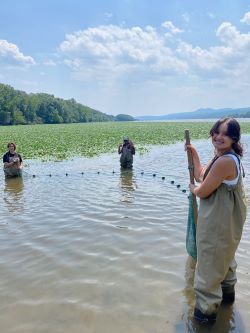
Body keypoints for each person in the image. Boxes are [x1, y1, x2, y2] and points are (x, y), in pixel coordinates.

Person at [186, 118, 247, 325]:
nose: (219, 137)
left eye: (225, 134)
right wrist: (193, 153)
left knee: (209, 267)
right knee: (225, 258)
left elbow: (203, 191)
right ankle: (227, 303)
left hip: (218, 222)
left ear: (234, 138)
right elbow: (202, 175)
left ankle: (205, 316)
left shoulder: (225, 161)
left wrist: (192, 189)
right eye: (216, 132)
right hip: (227, 221)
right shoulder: (222, 157)